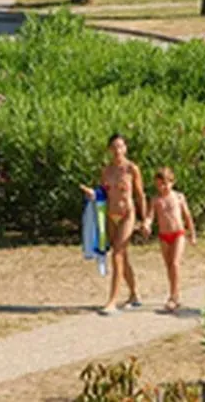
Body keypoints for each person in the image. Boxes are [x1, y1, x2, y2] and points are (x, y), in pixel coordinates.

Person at [81, 133, 147, 315]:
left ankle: (112, 301)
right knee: (122, 257)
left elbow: (140, 195)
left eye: (121, 146)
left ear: (125, 148)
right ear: (109, 149)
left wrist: (145, 220)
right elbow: (103, 193)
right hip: (111, 215)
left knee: (117, 254)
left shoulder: (131, 169)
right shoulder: (106, 170)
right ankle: (134, 294)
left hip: (127, 214)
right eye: (114, 147)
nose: (118, 150)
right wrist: (92, 194)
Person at [144, 166, 196, 312]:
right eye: (159, 184)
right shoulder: (155, 200)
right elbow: (150, 216)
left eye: (165, 183)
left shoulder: (178, 197)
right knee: (169, 266)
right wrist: (147, 224)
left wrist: (192, 234)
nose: (163, 187)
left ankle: (174, 296)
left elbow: (187, 216)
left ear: (172, 182)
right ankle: (174, 292)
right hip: (164, 236)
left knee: (174, 264)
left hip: (178, 233)